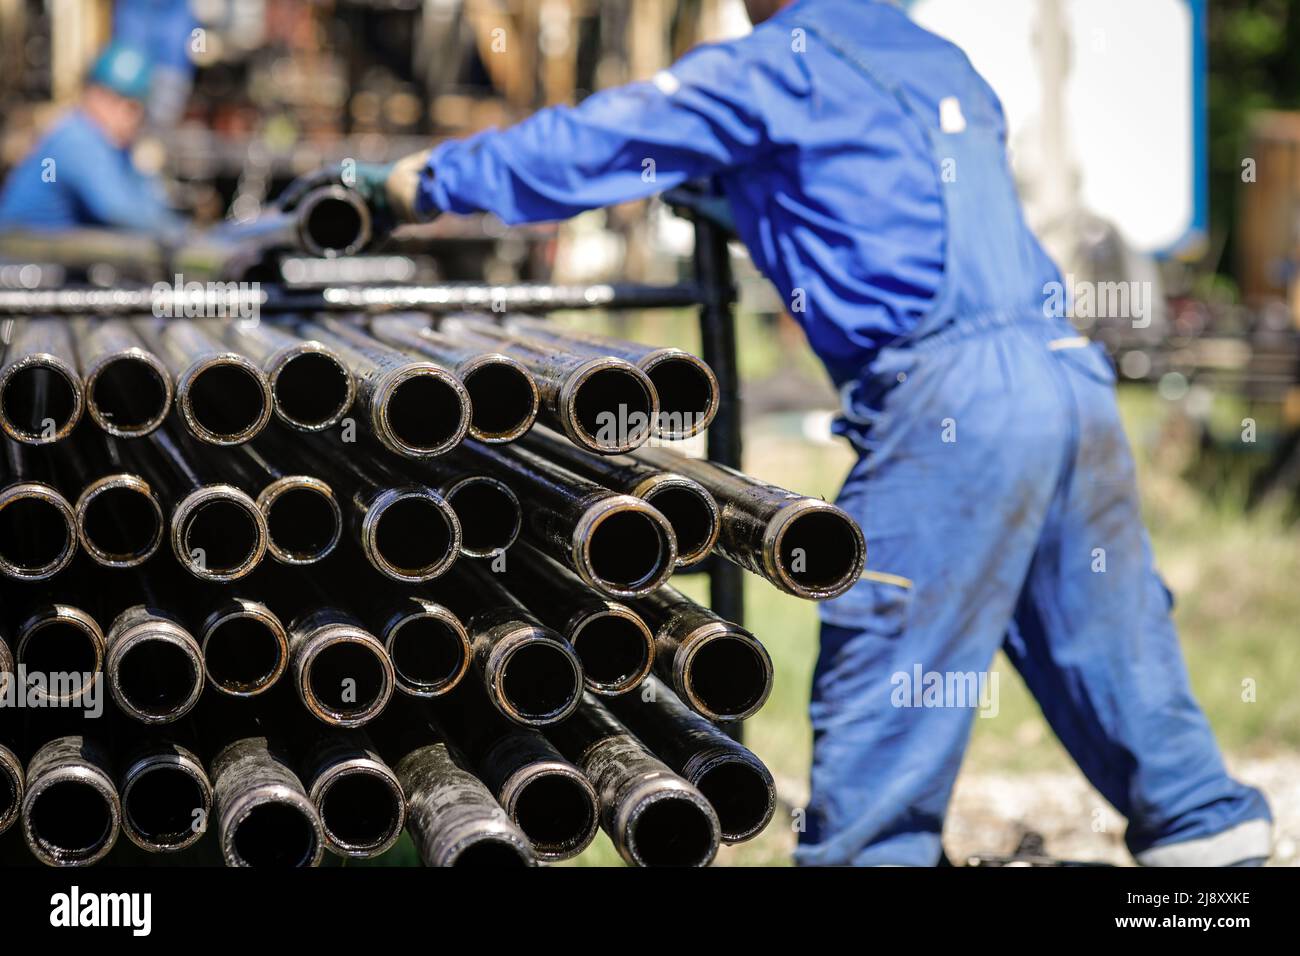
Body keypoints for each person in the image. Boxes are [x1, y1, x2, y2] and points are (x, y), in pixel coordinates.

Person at [343, 0, 1272, 865]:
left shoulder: (775, 69)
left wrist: (419, 183)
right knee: (1108, 636)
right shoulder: (931, 56)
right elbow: (877, 191)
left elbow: (599, 141)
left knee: (890, 663)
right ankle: (1209, 847)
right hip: (1068, 376)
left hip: (956, 403)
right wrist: (744, 189)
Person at [0, 42, 182, 235]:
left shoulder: (115, 147)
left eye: (138, 109)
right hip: (19, 260)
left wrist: (145, 172)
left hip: (58, 258)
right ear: (94, 95)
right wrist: (186, 238)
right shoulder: (75, 137)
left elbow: (154, 210)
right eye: (125, 105)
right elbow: (122, 214)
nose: (132, 118)